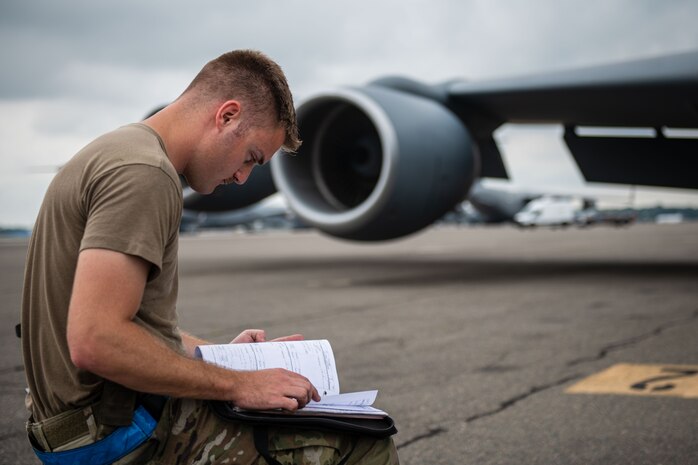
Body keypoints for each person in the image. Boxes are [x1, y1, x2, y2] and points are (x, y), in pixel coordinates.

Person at [21, 49, 399, 464]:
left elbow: (120, 322)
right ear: (227, 116)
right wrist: (238, 384)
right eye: (252, 158)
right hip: (118, 433)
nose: (242, 177)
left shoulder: (116, 151)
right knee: (364, 442)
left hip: (78, 424)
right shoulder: (145, 174)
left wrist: (220, 358)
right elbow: (96, 341)